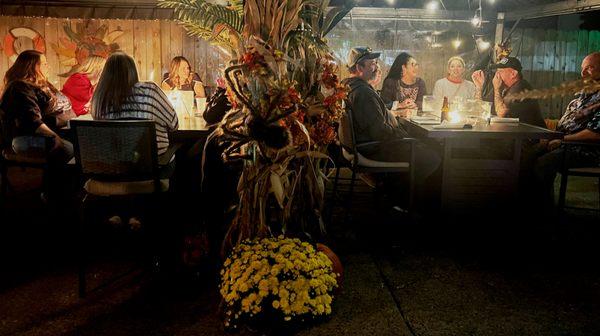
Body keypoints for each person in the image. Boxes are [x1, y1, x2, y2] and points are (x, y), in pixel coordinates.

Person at [341, 47, 440, 209]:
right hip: (376, 148)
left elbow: (375, 122)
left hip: (368, 144)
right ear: (359, 68)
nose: (376, 67)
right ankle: (404, 201)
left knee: (423, 147)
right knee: (432, 156)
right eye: (372, 63)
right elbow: (379, 131)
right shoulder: (363, 93)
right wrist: (402, 135)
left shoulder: (351, 88)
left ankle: (394, 191)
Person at [0, 50, 74, 200]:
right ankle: (53, 194)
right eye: (44, 63)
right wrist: (56, 137)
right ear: (32, 66)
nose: (48, 67)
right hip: (25, 138)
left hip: (52, 130)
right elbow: (32, 121)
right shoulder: (19, 87)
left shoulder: (42, 84)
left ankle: (66, 191)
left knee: (82, 144)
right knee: (67, 148)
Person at [533, 52, 600, 207]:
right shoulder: (583, 95)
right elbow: (564, 124)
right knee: (528, 153)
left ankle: (542, 210)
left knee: (543, 163)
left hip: (587, 150)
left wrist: (562, 140)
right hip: (563, 142)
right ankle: (525, 203)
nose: (583, 73)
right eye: (582, 69)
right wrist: (548, 136)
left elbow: (595, 134)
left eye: (590, 67)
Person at [92, 51, 178, 157]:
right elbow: (174, 124)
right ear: (132, 71)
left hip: (113, 166)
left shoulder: (99, 98)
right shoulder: (149, 90)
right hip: (153, 166)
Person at [472, 57, 546, 128]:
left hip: (532, 137)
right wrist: (479, 88)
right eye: (497, 71)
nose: (497, 75)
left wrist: (497, 89)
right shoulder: (503, 88)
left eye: (500, 71)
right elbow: (481, 109)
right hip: (513, 134)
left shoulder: (521, 87)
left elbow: (501, 113)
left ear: (513, 74)